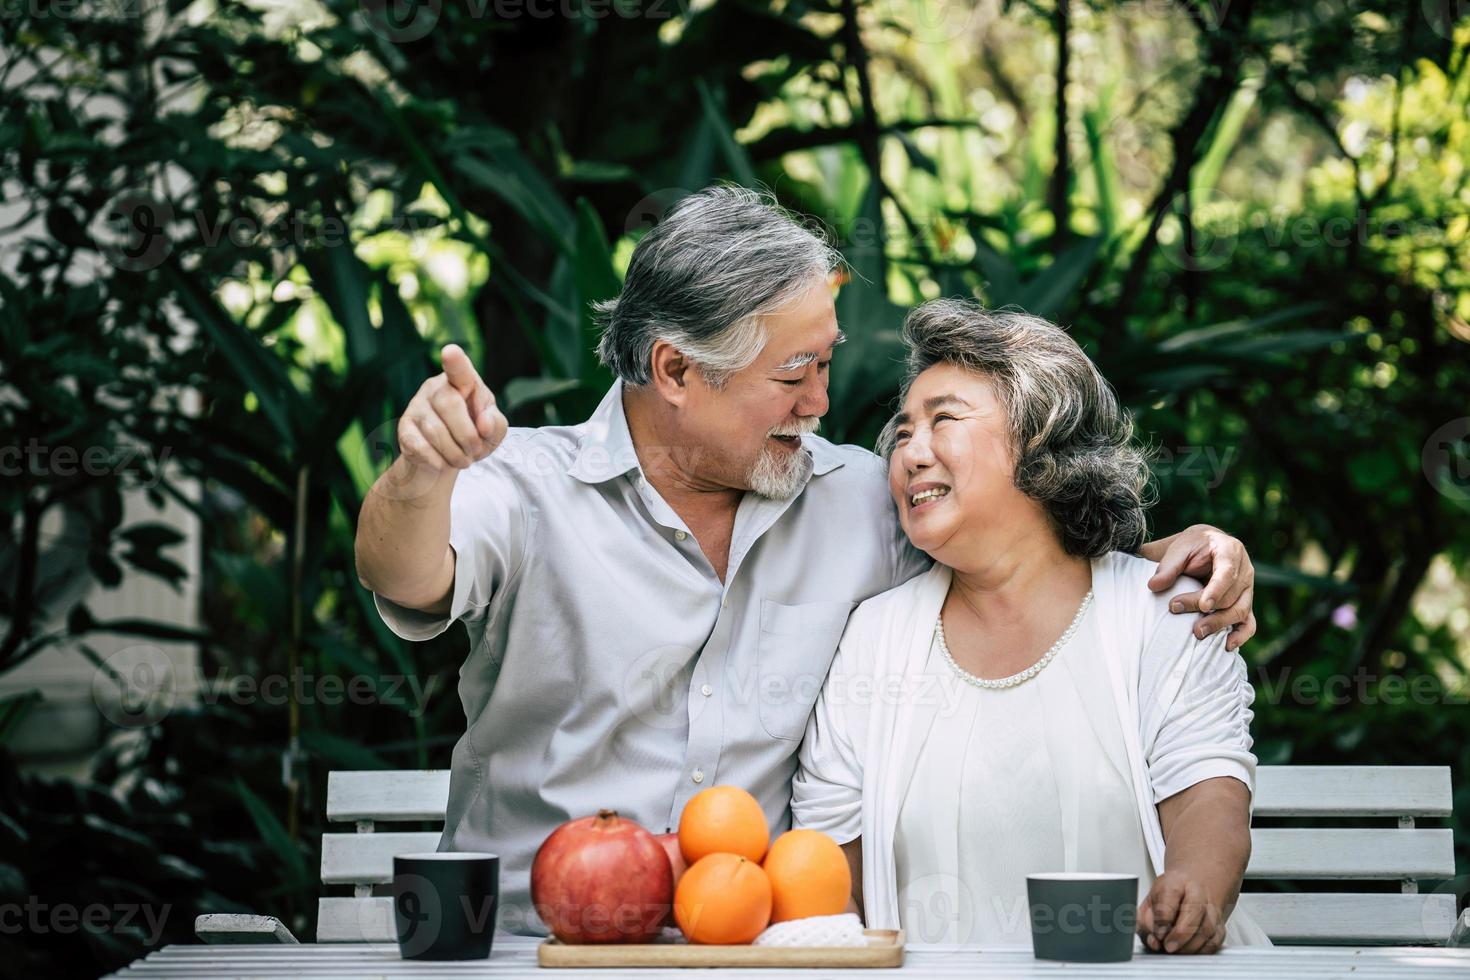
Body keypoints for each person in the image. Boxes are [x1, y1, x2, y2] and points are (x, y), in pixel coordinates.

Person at [353, 186, 1260, 934]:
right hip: (526, 946)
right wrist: (420, 471)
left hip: (751, 949)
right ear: (675, 371)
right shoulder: (524, 484)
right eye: (793, 375)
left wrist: (1170, 551)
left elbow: (1018, 530)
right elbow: (403, 572)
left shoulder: (858, 496)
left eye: (825, 364)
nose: (823, 402)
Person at [792, 299, 1268, 953]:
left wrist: (1194, 887)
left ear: (1037, 441)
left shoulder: (1167, 615)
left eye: (943, 421)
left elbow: (1208, 793)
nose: (910, 453)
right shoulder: (872, 639)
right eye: (902, 433)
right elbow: (827, 861)